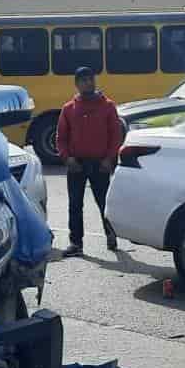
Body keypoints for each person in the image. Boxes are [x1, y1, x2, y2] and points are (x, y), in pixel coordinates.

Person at [57, 66, 122, 257]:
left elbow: (115, 135)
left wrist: (110, 158)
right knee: (75, 205)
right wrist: (67, 158)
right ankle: (76, 243)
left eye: (90, 79)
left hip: (101, 163)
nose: (88, 82)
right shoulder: (69, 109)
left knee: (104, 203)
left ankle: (111, 235)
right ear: (76, 84)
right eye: (83, 80)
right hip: (76, 164)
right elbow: (61, 137)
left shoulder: (108, 106)